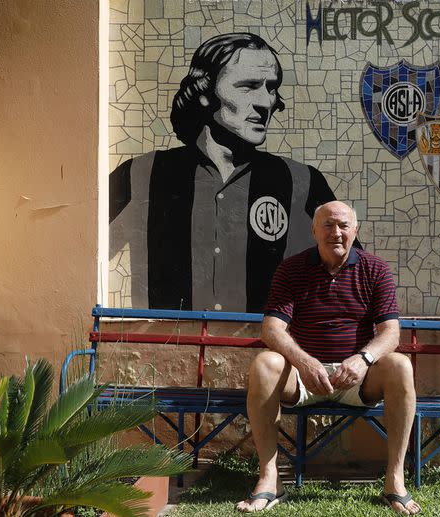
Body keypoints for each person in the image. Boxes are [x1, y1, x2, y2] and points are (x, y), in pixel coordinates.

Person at [109, 32, 338, 312]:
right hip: (164, 348)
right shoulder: (140, 174)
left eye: (271, 87)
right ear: (205, 92)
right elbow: (77, 257)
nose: (266, 103)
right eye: (249, 86)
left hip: (267, 352)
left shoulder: (302, 181)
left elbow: (351, 274)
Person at [237, 201, 422, 515]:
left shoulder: (375, 269)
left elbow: (390, 333)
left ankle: (394, 480)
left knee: (401, 366)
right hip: (304, 379)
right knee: (264, 364)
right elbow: (272, 329)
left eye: (343, 225)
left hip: (358, 378)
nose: (336, 232)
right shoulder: (291, 269)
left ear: (355, 230)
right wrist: (305, 362)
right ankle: (270, 478)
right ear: (313, 230)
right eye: (327, 225)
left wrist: (363, 359)